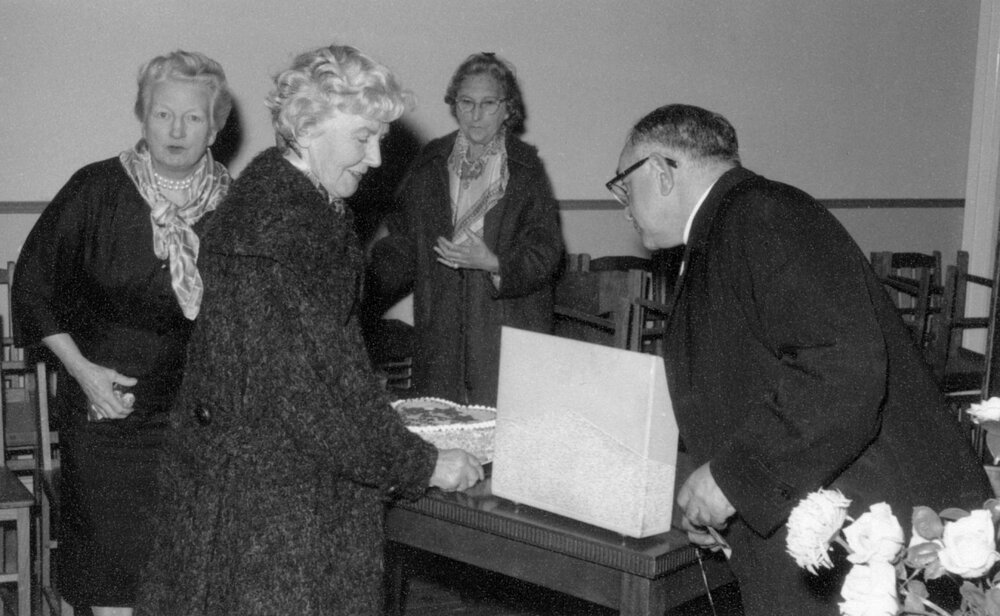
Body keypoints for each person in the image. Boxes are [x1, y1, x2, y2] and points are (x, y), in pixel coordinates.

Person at [134, 44, 483, 616]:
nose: (374, 158)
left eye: (380, 139)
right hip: (270, 512)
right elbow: (307, 400)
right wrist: (421, 464)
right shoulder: (278, 234)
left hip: (267, 496)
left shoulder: (295, 207)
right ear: (306, 126)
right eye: (362, 136)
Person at [607, 103, 992, 616]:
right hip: (816, 519)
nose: (623, 206)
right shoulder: (726, 226)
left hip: (870, 533)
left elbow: (843, 369)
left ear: (660, 170)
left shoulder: (762, 214)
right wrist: (733, 498)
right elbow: (755, 377)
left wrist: (734, 479)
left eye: (621, 185)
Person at [11, 50, 232, 616]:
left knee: (189, 582)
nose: (176, 130)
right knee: (115, 586)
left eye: (193, 117)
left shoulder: (237, 207)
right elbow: (32, 287)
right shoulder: (97, 189)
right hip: (104, 414)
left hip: (198, 420)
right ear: (142, 116)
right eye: (163, 115)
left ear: (217, 124)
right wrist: (82, 374)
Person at [366, 52, 564, 406]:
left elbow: (546, 251)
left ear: (507, 109)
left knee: (499, 432)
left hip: (504, 327)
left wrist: (495, 263)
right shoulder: (430, 163)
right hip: (440, 328)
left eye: (488, 103)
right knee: (443, 425)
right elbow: (402, 242)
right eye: (466, 102)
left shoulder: (525, 169)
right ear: (454, 105)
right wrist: (363, 283)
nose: (476, 114)